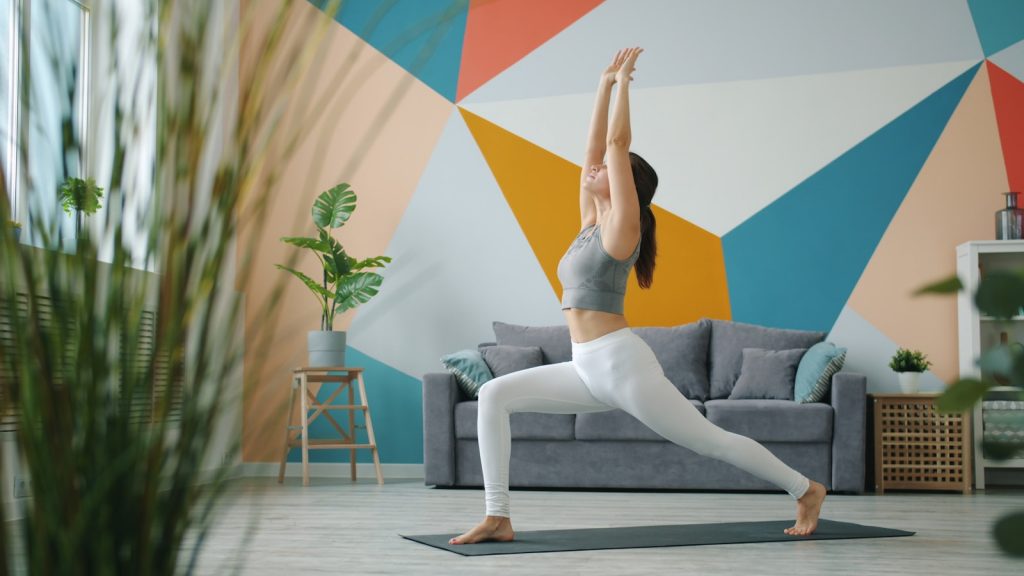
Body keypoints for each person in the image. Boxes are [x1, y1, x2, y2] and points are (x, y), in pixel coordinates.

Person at [449, 47, 826, 545]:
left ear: (626, 180)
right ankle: (498, 516)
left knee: (712, 442)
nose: (593, 170)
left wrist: (626, 84)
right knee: (494, 394)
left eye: (607, 168)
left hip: (621, 367)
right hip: (584, 365)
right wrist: (602, 84)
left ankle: (805, 489)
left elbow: (615, 141)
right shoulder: (590, 223)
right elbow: (593, 152)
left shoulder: (623, 229)